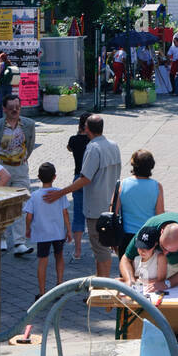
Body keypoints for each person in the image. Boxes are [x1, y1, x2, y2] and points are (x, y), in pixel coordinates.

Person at [44, 115, 121, 278]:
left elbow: (85, 178)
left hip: (96, 207)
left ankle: (104, 287)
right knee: (103, 246)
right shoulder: (113, 145)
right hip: (112, 203)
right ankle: (100, 280)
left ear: (87, 129)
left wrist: (60, 193)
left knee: (100, 248)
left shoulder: (93, 148)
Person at [0, 95, 38, 256]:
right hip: (1, 168)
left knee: (22, 205)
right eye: (11, 108)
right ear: (4, 109)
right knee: (0, 204)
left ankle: (19, 242)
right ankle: (1, 238)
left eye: (18, 107)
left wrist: (22, 161)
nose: (15, 110)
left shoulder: (28, 124)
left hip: (20, 168)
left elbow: (29, 146)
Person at [123, 212, 178, 291]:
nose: (165, 253)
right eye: (163, 247)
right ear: (161, 231)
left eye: (172, 250)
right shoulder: (149, 229)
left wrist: (167, 283)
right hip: (176, 259)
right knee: (170, 291)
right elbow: (126, 258)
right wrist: (130, 280)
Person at [24, 162, 72, 300]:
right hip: (58, 232)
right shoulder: (59, 193)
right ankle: (59, 285)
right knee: (59, 257)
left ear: (38, 177)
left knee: (42, 261)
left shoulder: (34, 196)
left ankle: (42, 292)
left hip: (42, 233)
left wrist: (28, 229)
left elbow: (29, 216)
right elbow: (65, 213)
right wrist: (68, 231)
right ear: (55, 177)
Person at [116, 149, 165, 256]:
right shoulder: (157, 186)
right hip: (148, 236)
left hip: (126, 236)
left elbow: (113, 211)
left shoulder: (122, 185)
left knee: (126, 268)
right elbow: (160, 215)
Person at [66, 114, 92, 262]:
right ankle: (98, 248)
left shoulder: (74, 140)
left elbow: (69, 148)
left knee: (77, 215)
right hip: (92, 180)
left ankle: (77, 251)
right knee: (95, 215)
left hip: (78, 178)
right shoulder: (93, 141)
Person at [0, 51, 17, 119]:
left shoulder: (0, 64)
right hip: (9, 86)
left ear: (0, 58)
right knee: (8, 103)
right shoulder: (10, 64)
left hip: (1, 86)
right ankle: (9, 117)